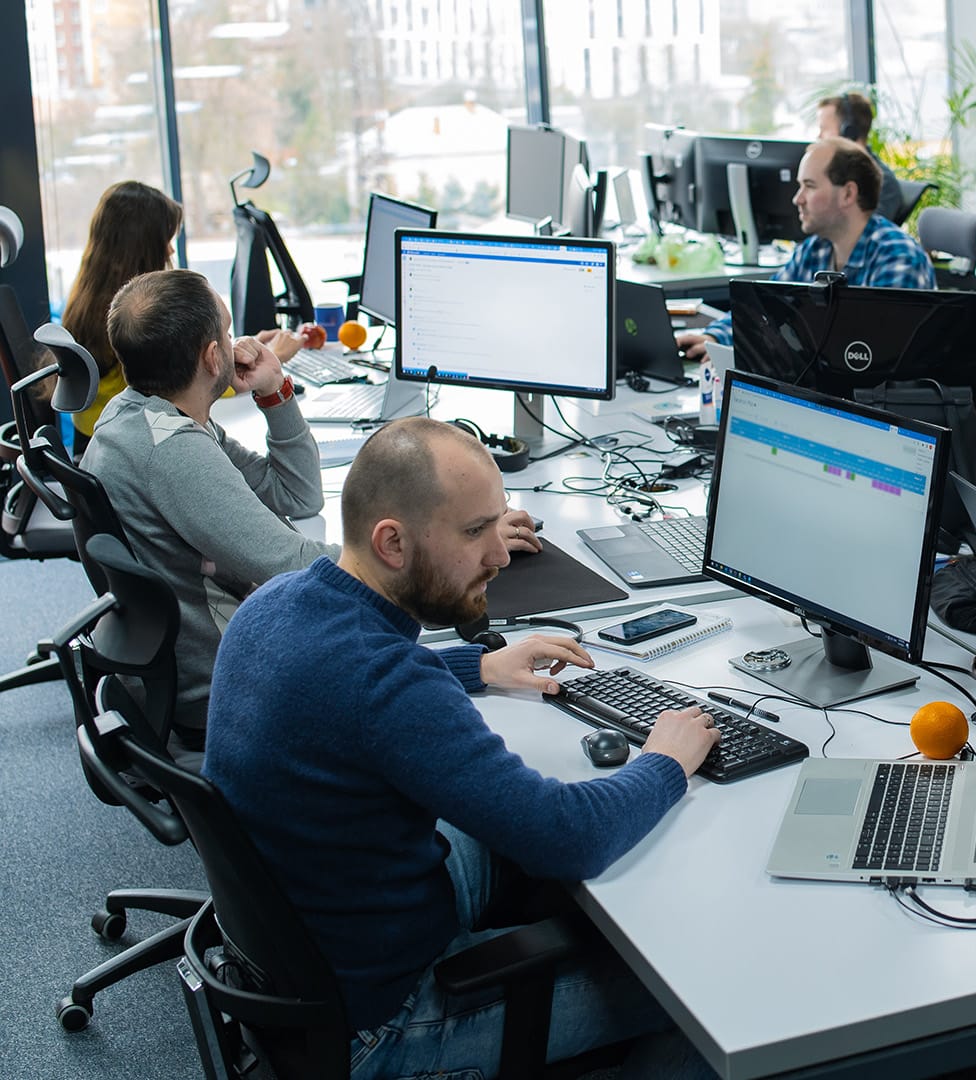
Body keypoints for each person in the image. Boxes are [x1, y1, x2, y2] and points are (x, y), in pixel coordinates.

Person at [203, 416, 718, 1077]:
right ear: (392, 542)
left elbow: (346, 690)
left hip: (308, 953)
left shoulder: (279, 601)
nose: (501, 557)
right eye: (476, 533)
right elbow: (569, 836)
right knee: (697, 997)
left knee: (515, 846)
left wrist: (477, 666)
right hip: (382, 1024)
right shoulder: (385, 684)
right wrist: (666, 762)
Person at [84, 269, 540, 747]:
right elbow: (296, 565)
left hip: (197, 659)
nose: (238, 339)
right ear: (213, 356)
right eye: (226, 329)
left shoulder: (139, 415)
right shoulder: (174, 453)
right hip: (228, 687)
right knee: (395, 646)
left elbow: (296, 494)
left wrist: (275, 390)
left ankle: (480, 665)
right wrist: (458, 546)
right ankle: (481, 670)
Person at [55, 181, 311, 453]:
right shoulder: (134, 317)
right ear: (140, 247)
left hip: (99, 441)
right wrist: (271, 361)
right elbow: (177, 386)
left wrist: (232, 352)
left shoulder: (90, 295)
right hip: (128, 447)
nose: (170, 251)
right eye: (164, 241)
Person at [675, 137, 933, 361]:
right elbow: (767, 310)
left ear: (847, 194)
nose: (797, 199)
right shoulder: (816, 249)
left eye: (809, 186)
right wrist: (715, 337)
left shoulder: (898, 257)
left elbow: (870, 355)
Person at [816, 90, 904, 224]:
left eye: (824, 129)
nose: (819, 137)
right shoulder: (827, 173)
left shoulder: (883, 183)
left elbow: (862, 233)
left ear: (848, 132)